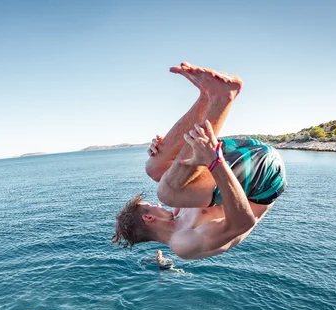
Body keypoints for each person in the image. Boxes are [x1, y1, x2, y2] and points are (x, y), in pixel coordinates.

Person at [112, 62, 286, 259]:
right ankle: (222, 97)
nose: (158, 206)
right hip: (265, 181)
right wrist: (215, 161)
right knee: (165, 192)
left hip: (246, 156)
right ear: (148, 217)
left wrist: (168, 149)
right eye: (151, 206)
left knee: (154, 167)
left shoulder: (179, 211)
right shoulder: (183, 244)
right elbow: (243, 223)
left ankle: (208, 96)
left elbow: (175, 170)